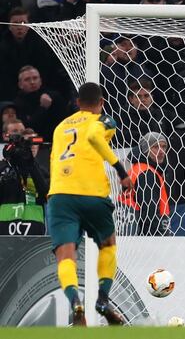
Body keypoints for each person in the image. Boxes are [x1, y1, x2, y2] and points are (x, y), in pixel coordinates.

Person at [47, 82, 131, 326]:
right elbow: (94, 135)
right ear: (101, 102)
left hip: (60, 194)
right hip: (92, 193)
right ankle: (103, 299)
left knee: (66, 255)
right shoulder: (104, 121)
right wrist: (121, 171)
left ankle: (75, 300)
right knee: (108, 245)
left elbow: (54, 160)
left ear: (77, 102)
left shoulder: (61, 126)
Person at [117, 132, 171, 236]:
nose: (161, 151)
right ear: (146, 150)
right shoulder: (147, 174)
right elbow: (149, 212)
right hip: (147, 237)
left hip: (129, 234)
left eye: (164, 147)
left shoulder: (137, 168)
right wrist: (156, 239)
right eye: (155, 147)